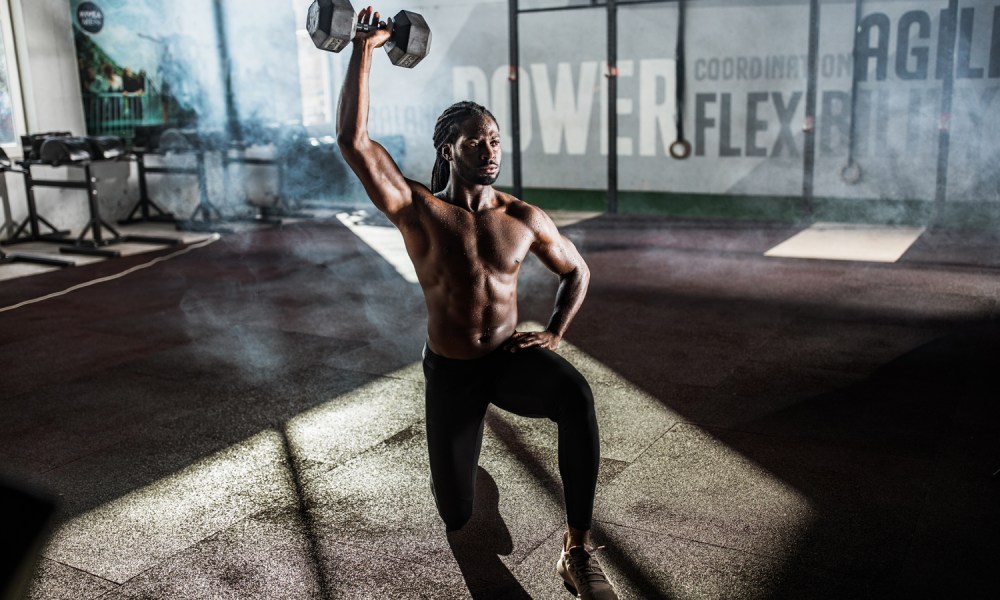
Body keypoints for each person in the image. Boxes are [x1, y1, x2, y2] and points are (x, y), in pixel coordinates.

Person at [336, 7, 618, 600]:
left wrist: (556, 334)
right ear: (447, 150)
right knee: (457, 514)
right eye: (476, 141)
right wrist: (364, 47)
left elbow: (577, 271)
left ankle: (576, 549)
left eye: (494, 140)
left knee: (575, 395)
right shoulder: (418, 210)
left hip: (508, 359)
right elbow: (354, 140)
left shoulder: (522, 218)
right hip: (452, 372)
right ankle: (467, 475)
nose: (490, 149)